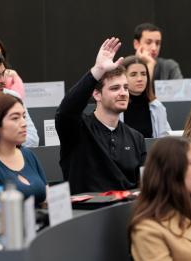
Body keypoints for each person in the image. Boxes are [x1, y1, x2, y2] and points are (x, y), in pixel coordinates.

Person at [55, 37, 146, 194]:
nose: (123, 93)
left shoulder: (136, 138)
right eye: (115, 88)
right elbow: (66, 111)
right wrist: (97, 70)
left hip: (124, 213)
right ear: (96, 94)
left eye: (125, 87)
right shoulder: (77, 129)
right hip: (86, 214)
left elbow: (145, 185)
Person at [120, 55, 171, 138]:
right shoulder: (115, 105)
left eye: (143, 74)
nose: (140, 79)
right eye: (133, 74)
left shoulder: (157, 106)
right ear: (122, 78)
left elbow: (165, 138)